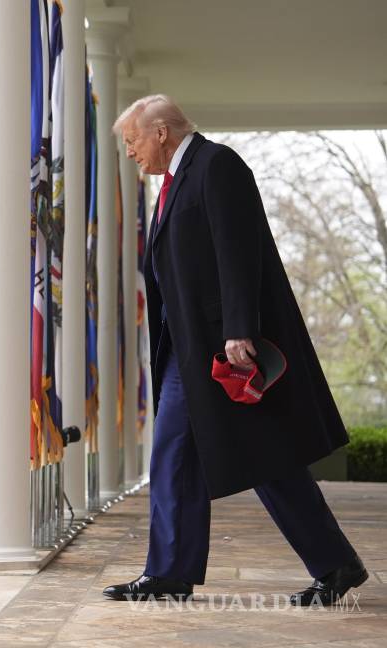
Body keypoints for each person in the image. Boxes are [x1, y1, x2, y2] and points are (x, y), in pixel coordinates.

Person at [102, 94, 367, 606]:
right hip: (187, 347)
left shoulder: (217, 165)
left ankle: (336, 563)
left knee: (264, 455)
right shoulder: (175, 182)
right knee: (177, 453)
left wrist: (239, 329)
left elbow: (237, 250)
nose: (130, 151)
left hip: (222, 349)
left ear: (160, 132)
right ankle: (170, 571)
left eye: (132, 140)